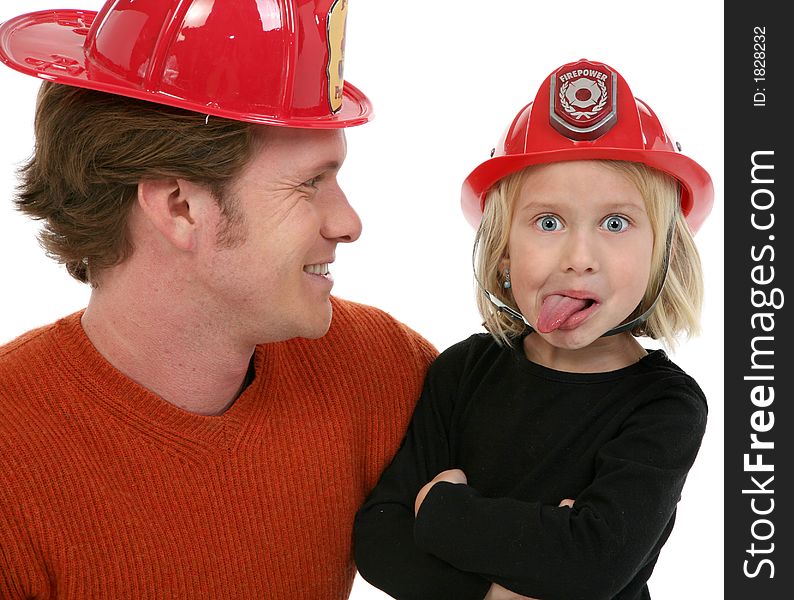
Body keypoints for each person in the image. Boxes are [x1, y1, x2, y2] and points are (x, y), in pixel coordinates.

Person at [0, 1, 437, 598]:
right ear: (180, 206)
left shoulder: (377, 368)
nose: (348, 222)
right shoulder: (12, 459)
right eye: (310, 181)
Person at [353, 58, 714, 600]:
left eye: (616, 223)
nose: (579, 257)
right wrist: (498, 590)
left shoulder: (664, 406)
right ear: (503, 253)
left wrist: (444, 512)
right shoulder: (463, 371)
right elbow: (380, 534)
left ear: (664, 254)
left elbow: (590, 565)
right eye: (548, 223)